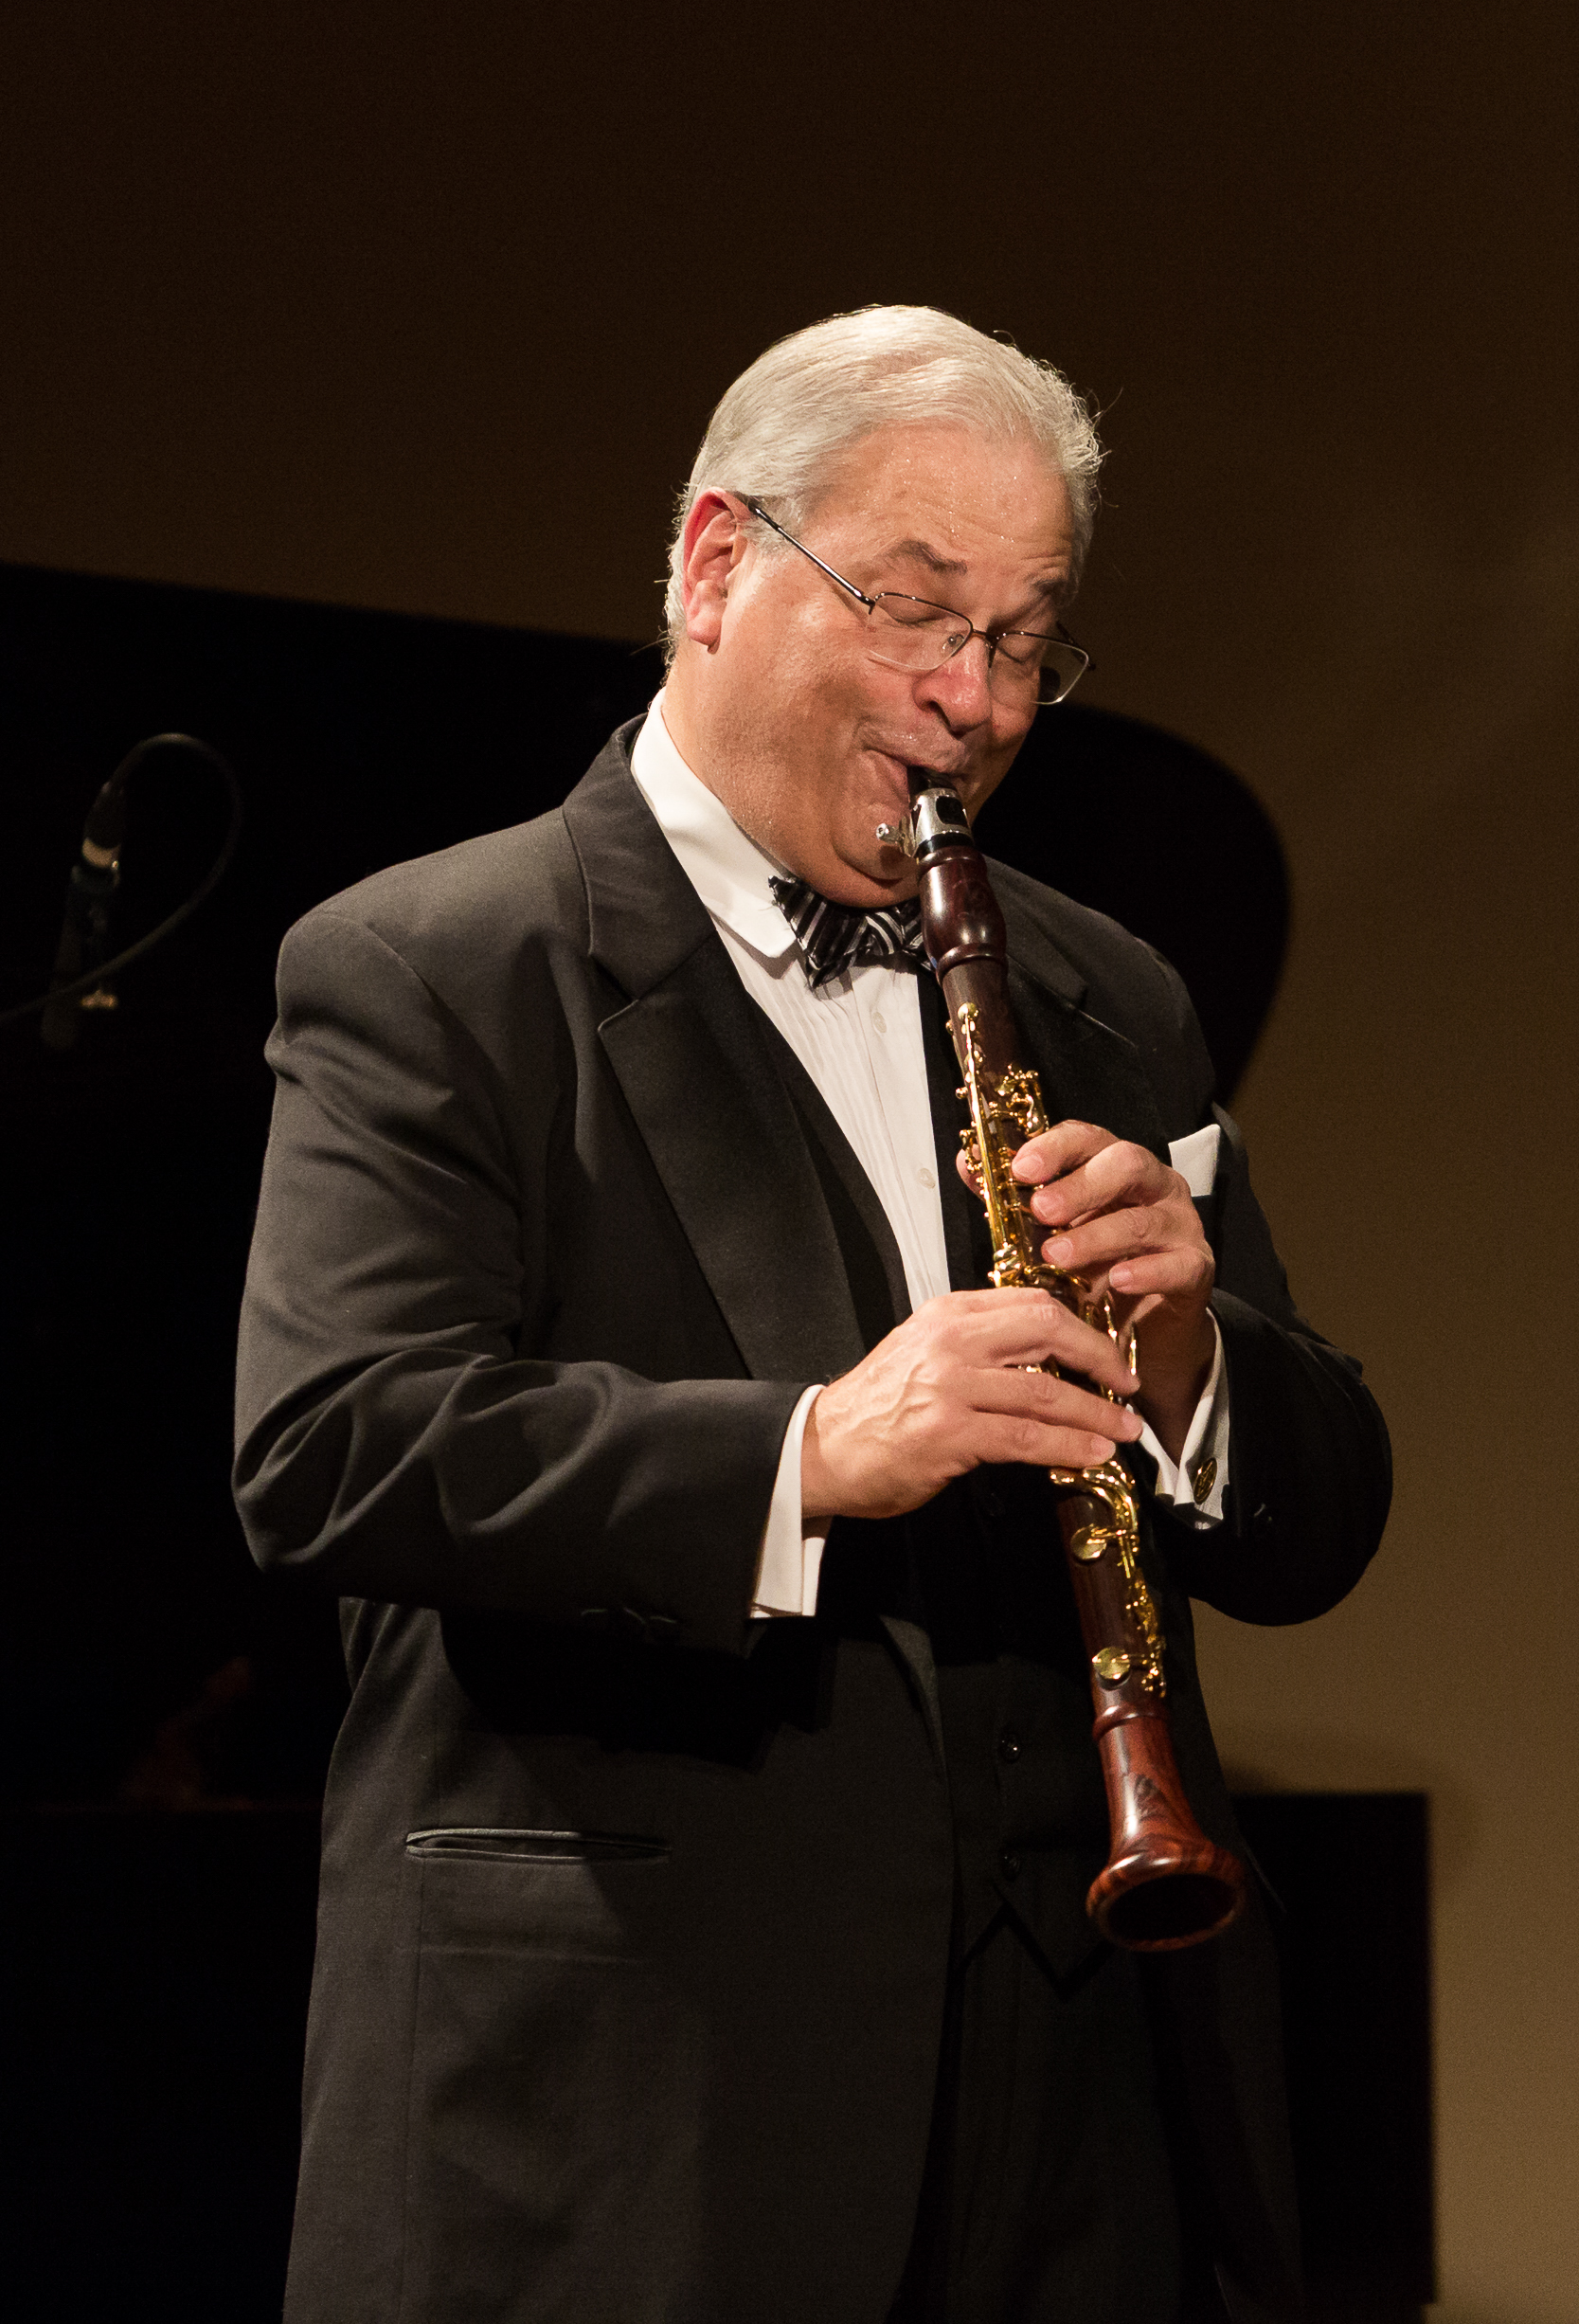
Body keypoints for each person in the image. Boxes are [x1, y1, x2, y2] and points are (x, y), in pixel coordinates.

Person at [234, 305, 1390, 2324]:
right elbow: (333, 1442)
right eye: (918, 611)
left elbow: (1323, 1515)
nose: (977, 698)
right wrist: (816, 1450)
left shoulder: (1105, 985)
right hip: (644, 2105)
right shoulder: (435, 964)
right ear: (711, 562)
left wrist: (1195, 1368)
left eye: (1029, 640)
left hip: (1084, 2121)